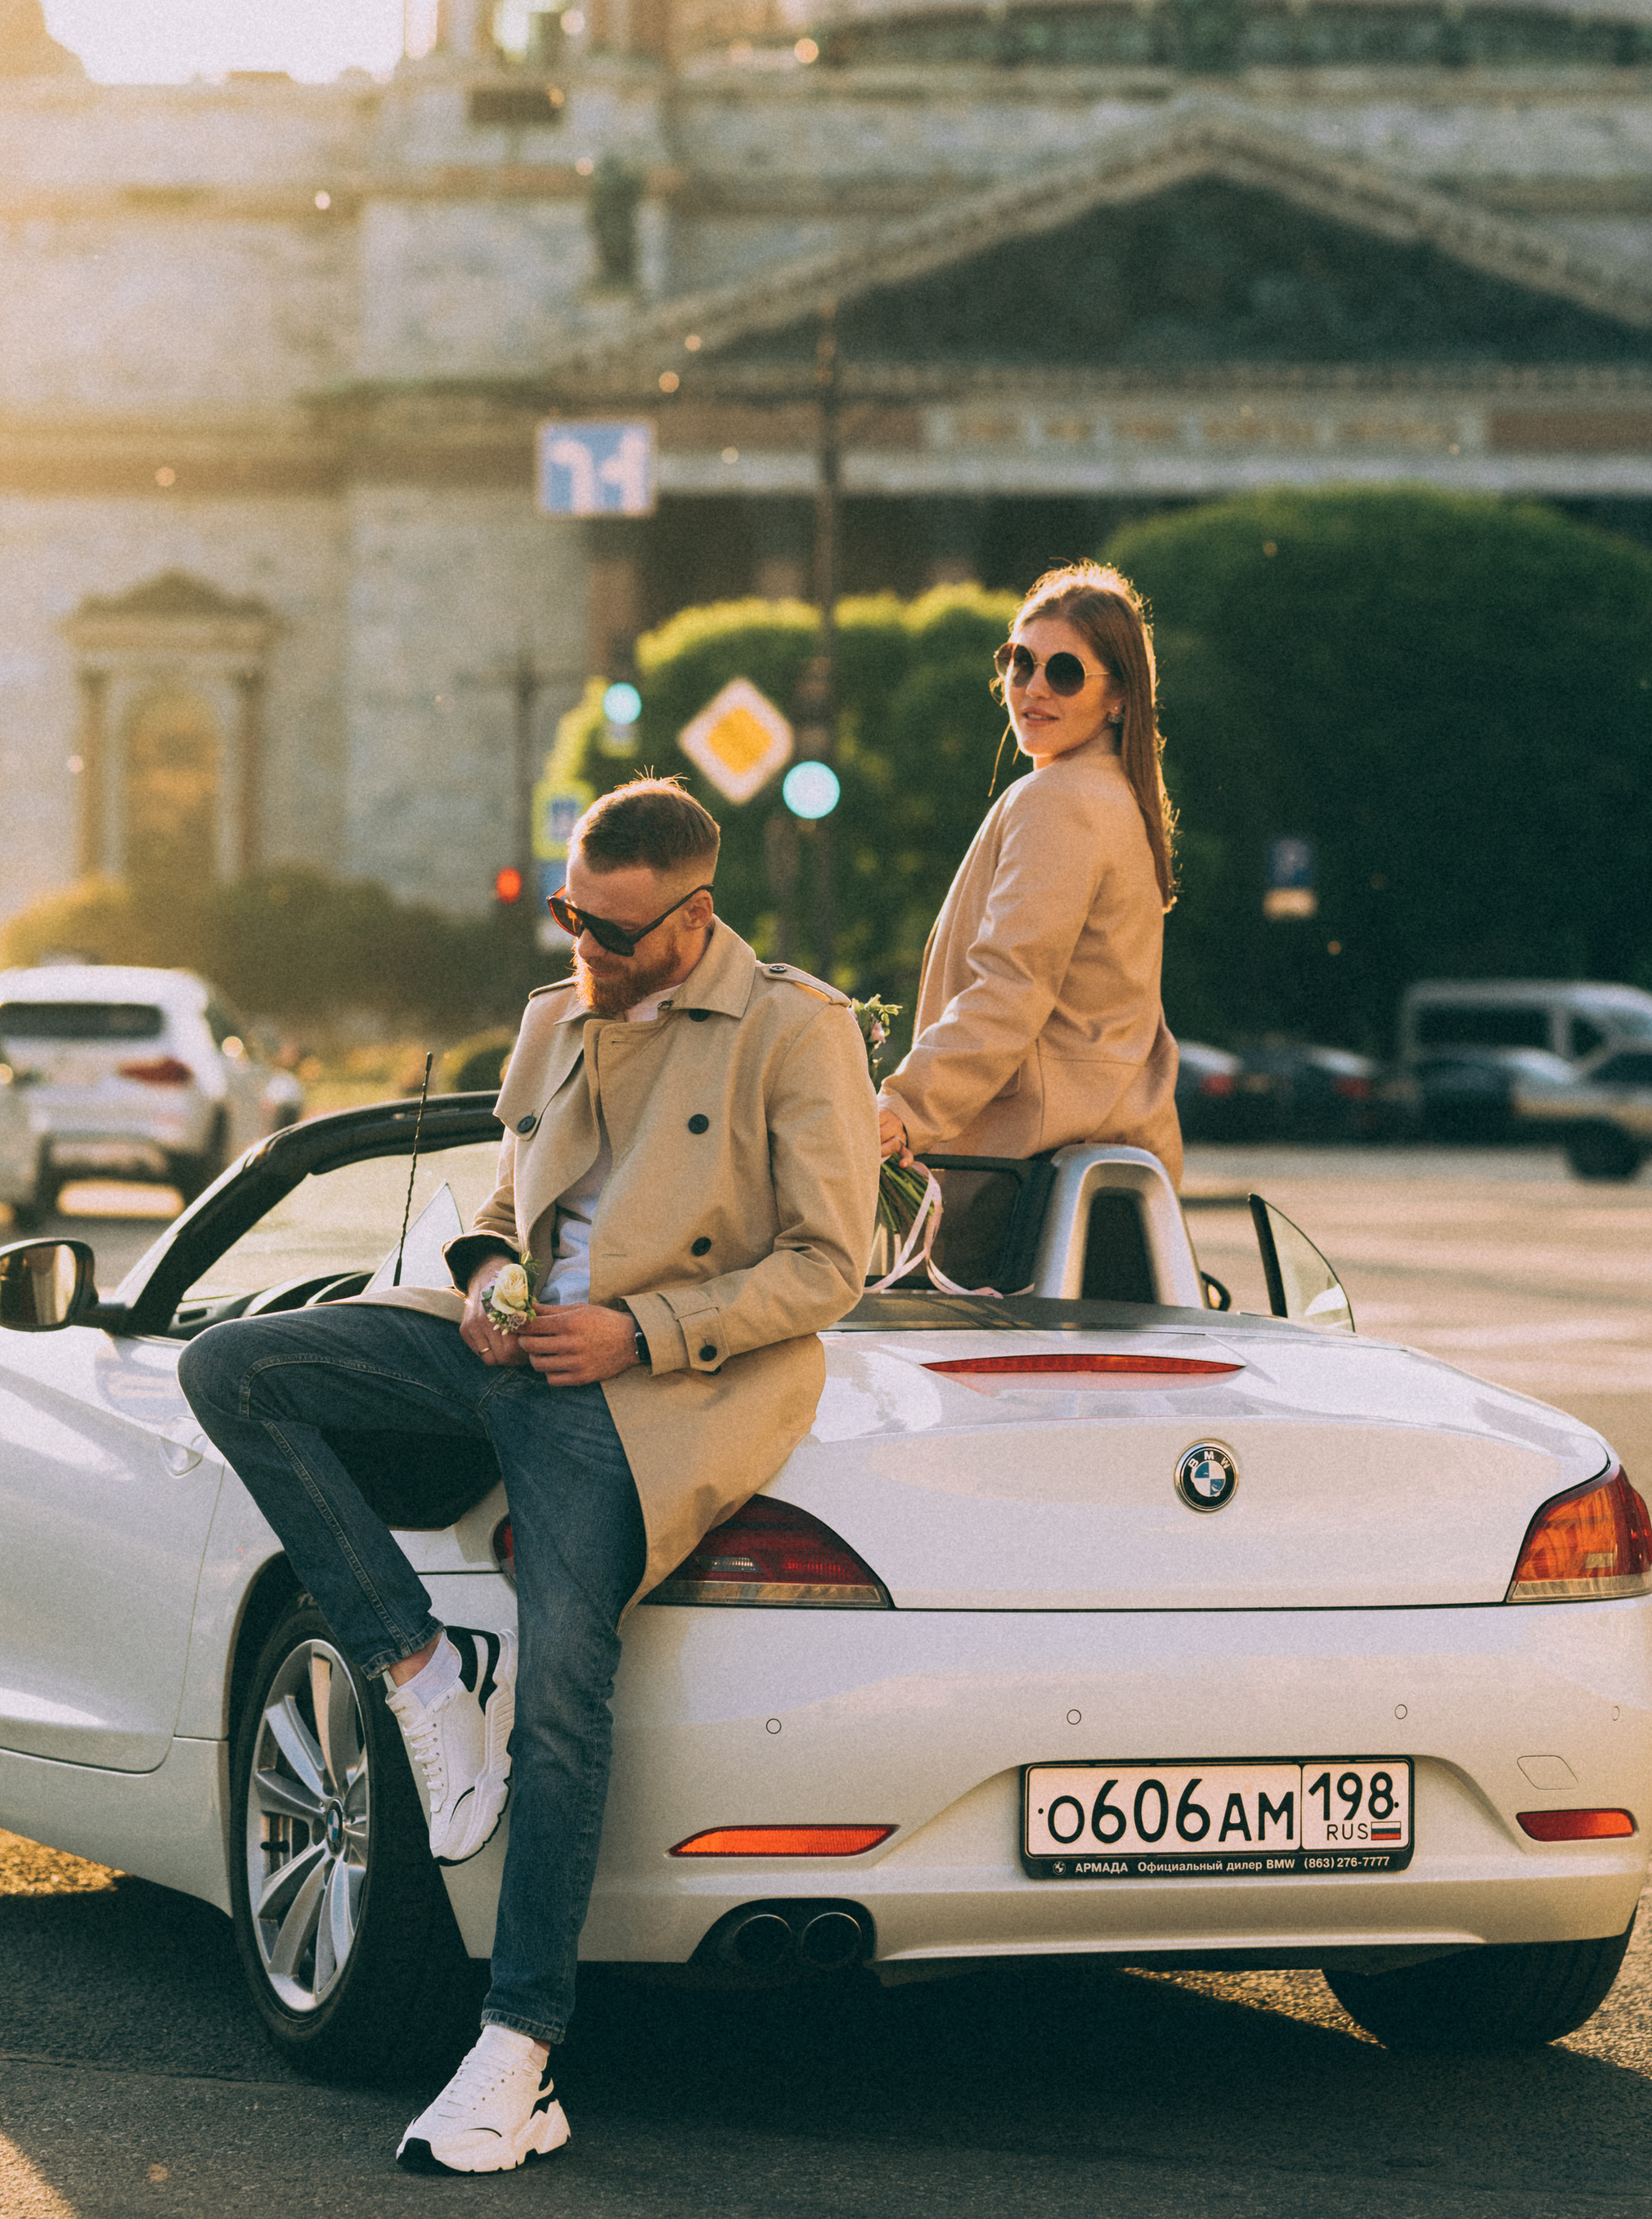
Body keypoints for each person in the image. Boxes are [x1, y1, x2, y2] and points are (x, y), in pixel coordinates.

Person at [181, 777, 878, 2179]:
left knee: (567, 1684)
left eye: (612, 929)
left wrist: (641, 1327)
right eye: (570, 910)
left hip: (652, 1390)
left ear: (692, 920)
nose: (584, 945)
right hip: (502, 1353)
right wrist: (491, 1279)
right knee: (232, 1368)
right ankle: (420, 1675)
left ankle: (518, 2052)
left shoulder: (797, 1029)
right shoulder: (556, 1017)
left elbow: (828, 1264)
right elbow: (501, 1213)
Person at [876, 560, 1181, 1193]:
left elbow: (1011, 988)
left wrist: (903, 1110)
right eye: (1020, 662)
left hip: (1023, 1166)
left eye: (1065, 673)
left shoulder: (1058, 798)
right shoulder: (1120, 798)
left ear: (1119, 696)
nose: (1034, 687)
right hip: (1101, 1154)